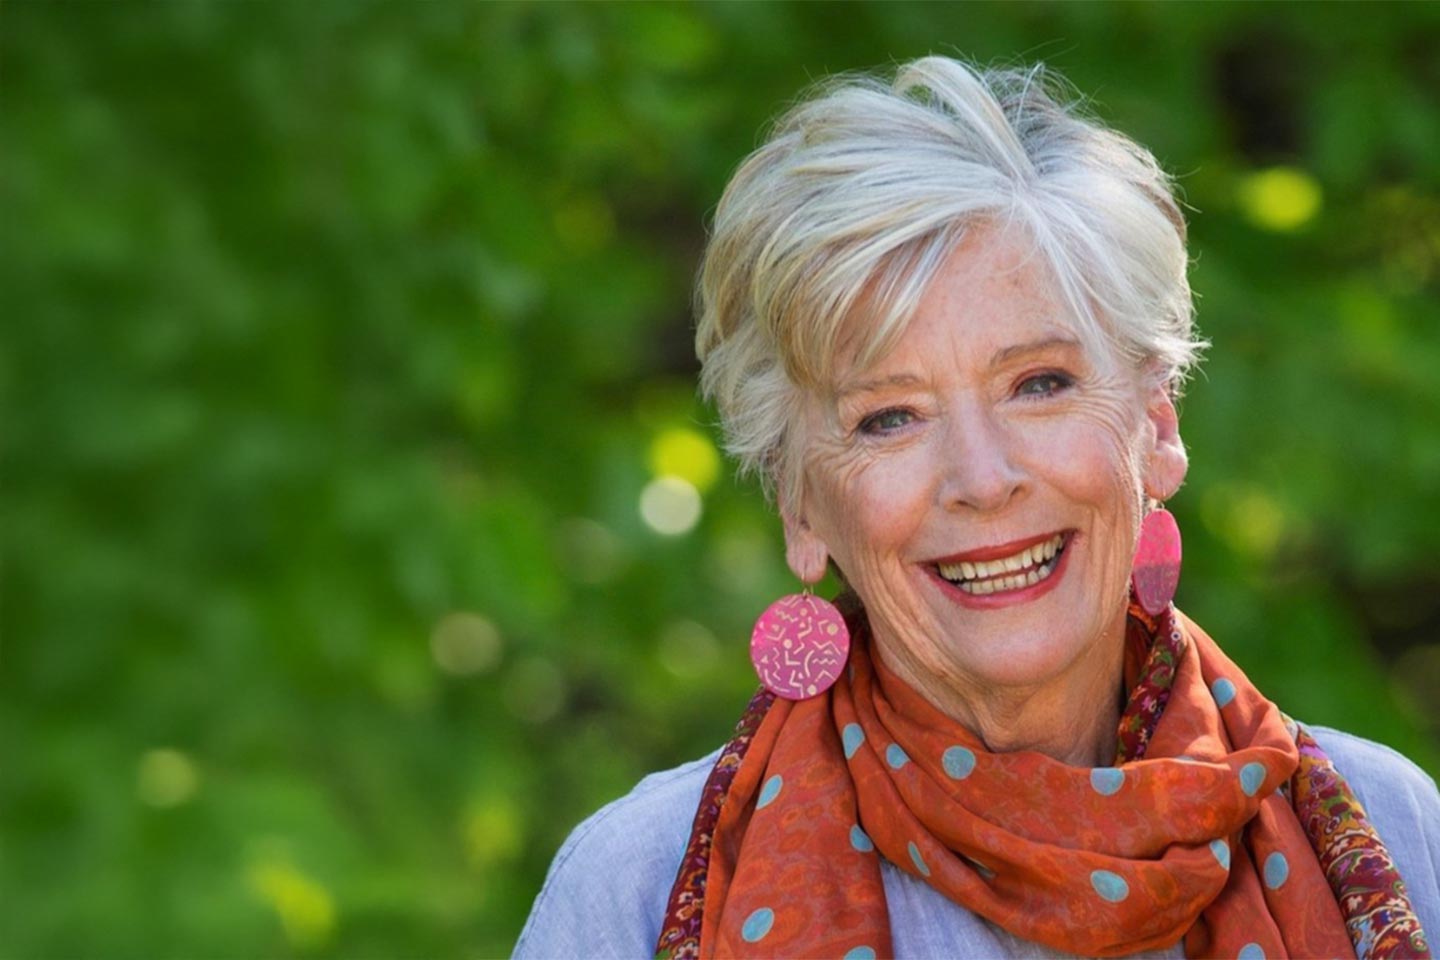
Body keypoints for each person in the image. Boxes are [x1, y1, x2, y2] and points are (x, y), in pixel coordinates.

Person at [514, 57, 1440, 959]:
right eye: (889, 418)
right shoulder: (635, 890)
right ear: (801, 504)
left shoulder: (1388, 831)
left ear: (1155, 424)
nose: (982, 476)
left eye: (1038, 383)